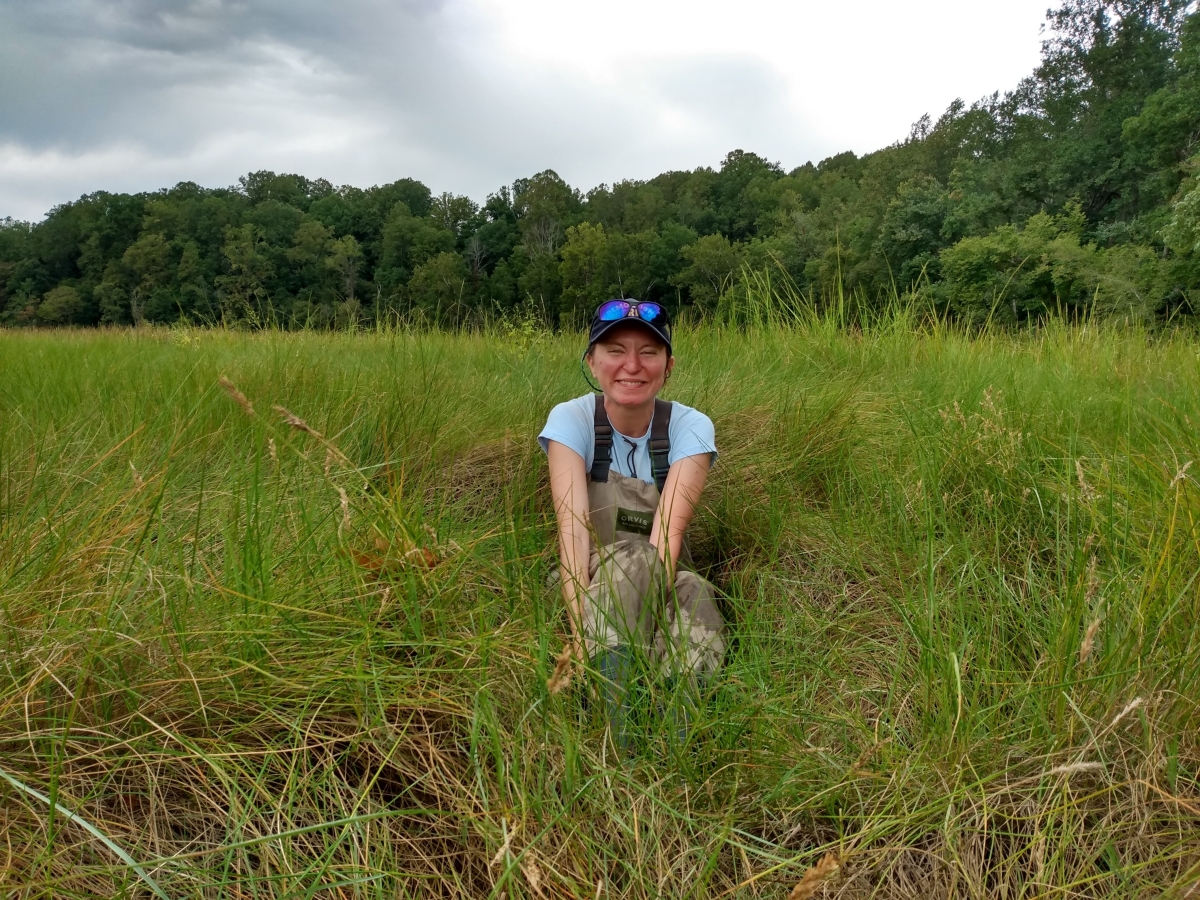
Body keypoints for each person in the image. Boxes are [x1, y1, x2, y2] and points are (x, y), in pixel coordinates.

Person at [538, 299, 726, 746]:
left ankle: (678, 731)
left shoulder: (691, 426)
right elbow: (573, 533)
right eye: (616, 351)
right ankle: (618, 732)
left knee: (696, 590)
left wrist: (655, 620)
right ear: (592, 361)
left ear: (668, 365)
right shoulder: (572, 419)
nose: (632, 366)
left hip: (662, 569)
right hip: (582, 583)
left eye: (649, 352)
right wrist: (581, 631)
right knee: (628, 558)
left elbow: (667, 535)